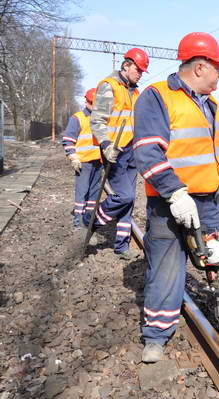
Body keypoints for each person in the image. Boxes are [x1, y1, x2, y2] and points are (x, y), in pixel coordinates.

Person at [133, 32, 219, 363]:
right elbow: (148, 152)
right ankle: (157, 335)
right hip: (169, 203)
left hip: (211, 203)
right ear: (200, 66)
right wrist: (176, 192)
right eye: (217, 69)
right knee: (166, 267)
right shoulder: (157, 97)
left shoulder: (215, 108)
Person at [84, 48, 149, 260]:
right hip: (115, 151)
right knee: (124, 196)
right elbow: (97, 120)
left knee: (129, 202)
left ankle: (122, 246)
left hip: (131, 151)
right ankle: (91, 221)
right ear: (126, 65)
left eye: (142, 71)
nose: (140, 74)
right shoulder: (109, 87)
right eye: (138, 69)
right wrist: (106, 145)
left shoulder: (135, 92)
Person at [62, 88, 102, 229]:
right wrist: (73, 156)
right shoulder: (77, 118)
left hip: (99, 162)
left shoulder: (102, 118)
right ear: (86, 102)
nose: (94, 106)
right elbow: (68, 139)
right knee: (82, 193)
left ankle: (89, 220)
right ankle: (79, 223)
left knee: (94, 193)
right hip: (83, 163)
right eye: (92, 103)